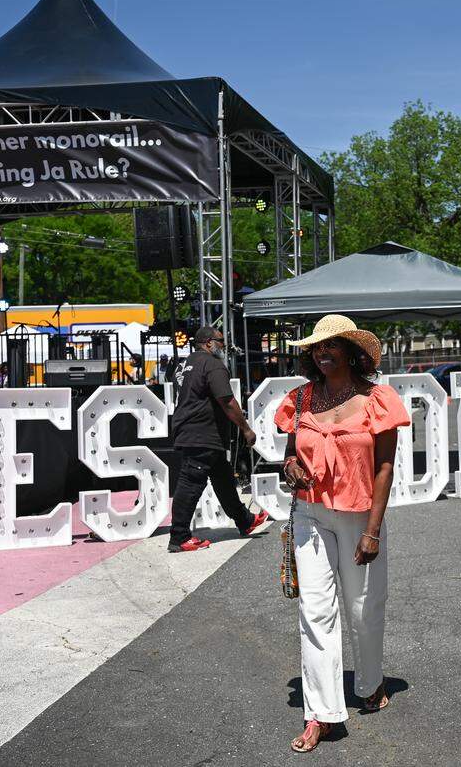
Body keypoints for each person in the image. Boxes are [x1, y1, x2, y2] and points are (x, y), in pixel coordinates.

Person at [275, 314, 410, 752]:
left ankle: (369, 684)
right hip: (311, 515)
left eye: (331, 345)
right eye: (316, 347)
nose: (322, 352)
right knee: (315, 612)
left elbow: (385, 467)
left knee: (363, 609)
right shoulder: (300, 399)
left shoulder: (378, 400)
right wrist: (291, 468)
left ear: (352, 353)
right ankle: (321, 713)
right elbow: (290, 456)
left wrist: (373, 530)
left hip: (359, 517)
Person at [167, 326, 269, 552]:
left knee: (223, 478)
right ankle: (179, 536)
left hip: (190, 429)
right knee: (190, 482)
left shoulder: (183, 364)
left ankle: (245, 520)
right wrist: (246, 428)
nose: (224, 346)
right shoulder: (212, 364)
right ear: (208, 343)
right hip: (202, 432)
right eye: (220, 341)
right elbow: (227, 400)